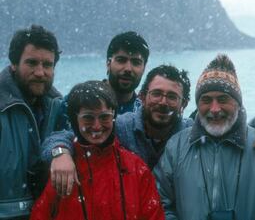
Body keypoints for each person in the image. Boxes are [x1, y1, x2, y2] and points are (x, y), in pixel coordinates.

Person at [43, 64, 255, 196]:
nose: (163, 102)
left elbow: (231, 123)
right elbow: (76, 134)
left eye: (172, 97)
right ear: (143, 97)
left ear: (184, 104)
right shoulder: (121, 126)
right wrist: (60, 152)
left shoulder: (190, 133)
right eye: (156, 94)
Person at [154, 54, 255, 220]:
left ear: (238, 104)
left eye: (223, 99)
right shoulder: (175, 148)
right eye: (206, 100)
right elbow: (160, 204)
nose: (215, 108)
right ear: (197, 104)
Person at [30, 81, 164, 220]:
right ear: (75, 120)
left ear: (114, 116)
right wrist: (59, 153)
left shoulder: (137, 168)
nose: (97, 126)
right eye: (88, 118)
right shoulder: (62, 169)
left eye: (104, 117)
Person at [0, 25, 62, 219]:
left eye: (47, 65)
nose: (40, 72)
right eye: (32, 63)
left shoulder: (58, 107)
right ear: (14, 64)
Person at [57, 31, 149, 129]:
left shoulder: (143, 114)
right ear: (108, 64)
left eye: (136, 62)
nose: (128, 69)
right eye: (121, 60)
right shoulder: (76, 101)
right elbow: (59, 136)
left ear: (143, 68)